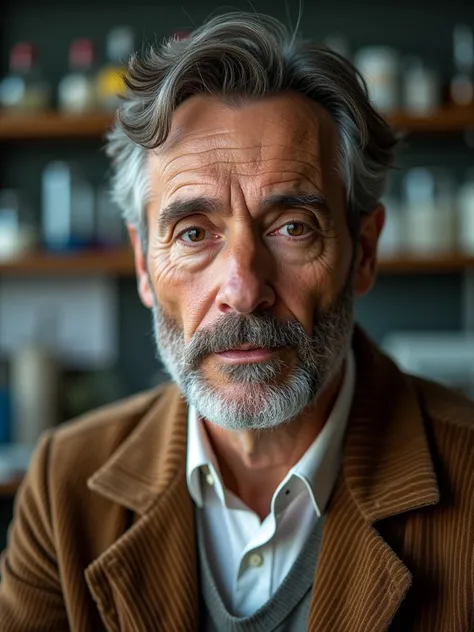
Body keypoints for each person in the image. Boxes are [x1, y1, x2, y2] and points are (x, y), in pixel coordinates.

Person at [1, 12, 473, 632]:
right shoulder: (65, 488)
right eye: (194, 233)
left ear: (364, 250)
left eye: (292, 227)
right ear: (144, 264)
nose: (243, 291)